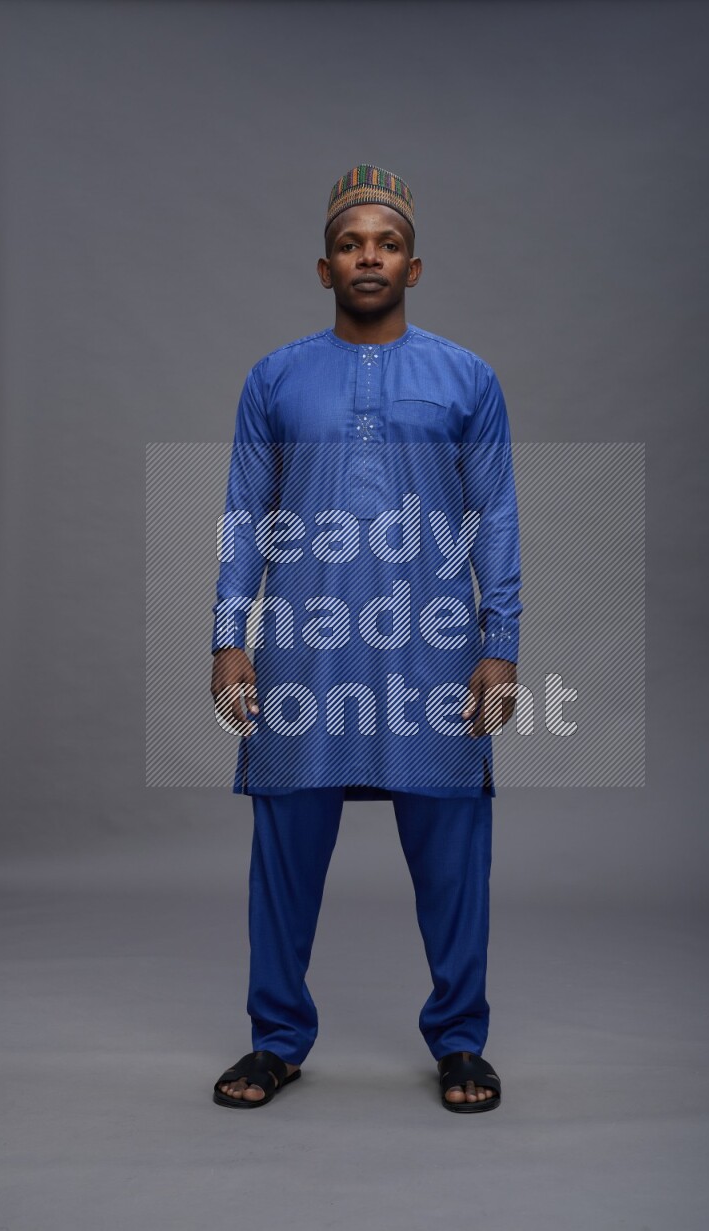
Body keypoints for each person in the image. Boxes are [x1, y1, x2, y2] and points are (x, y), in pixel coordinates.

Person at [210, 165, 522, 1113]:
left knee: (454, 851)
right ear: (324, 266)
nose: (369, 256)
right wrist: (231, 637)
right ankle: (277, 1040)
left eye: (385, 243)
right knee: (286, 851)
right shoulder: (276, 377)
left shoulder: (467, 377)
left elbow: (495, 515)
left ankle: (462, 1042)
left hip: (432, 649)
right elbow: (244, 513)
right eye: (351, 243)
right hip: (308, 648)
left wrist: (499, 640)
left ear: (414, 265)